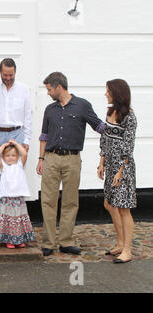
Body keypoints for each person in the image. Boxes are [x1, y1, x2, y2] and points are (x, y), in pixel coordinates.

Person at [36, 72, 106, 257]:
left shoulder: (83, 105)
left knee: (70, 201)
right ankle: (49, 243)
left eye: (50, 89)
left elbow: (99, 126)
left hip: (72, 159)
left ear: (59, 87)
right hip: (51, 158)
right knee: (48, 201)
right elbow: (44, 136)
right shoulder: (49, 109)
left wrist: (117, 129)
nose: (48, 93)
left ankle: (66, 241)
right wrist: (41, 159)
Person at [98, 79, 137, 264]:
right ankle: (120, 243)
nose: (106, 94)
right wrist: (101, 162)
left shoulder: (129, 116)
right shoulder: (110, 112)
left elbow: (128, 146)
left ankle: (127, 250)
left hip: (124, 167)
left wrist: (121, 170)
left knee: (123, 209)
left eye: (108, 91)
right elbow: (105, 139)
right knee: (109, 204)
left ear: (117, 93)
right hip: (111, 165)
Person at [0, 58, 32, 220]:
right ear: (0, 72)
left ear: (15, 72)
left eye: (11, 75)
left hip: (16, 133)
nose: (8, 78)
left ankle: (15, 212)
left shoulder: (23, 89)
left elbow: (28, 115)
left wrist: (26, 139)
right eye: (5, 75)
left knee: (16, 173)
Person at [0, 140, 35, 248]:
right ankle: (9, 240)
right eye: (8, 155)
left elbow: (24, 153)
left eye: (13, 155)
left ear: (17, 156)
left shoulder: (20, 164)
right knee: (9, 220)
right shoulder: (3, 167)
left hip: (18, 199)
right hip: (7, 199)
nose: (10, 157)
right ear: (4, 157)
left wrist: (15, 144)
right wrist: (5, 145)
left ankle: (19, 239)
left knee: (18, 220)